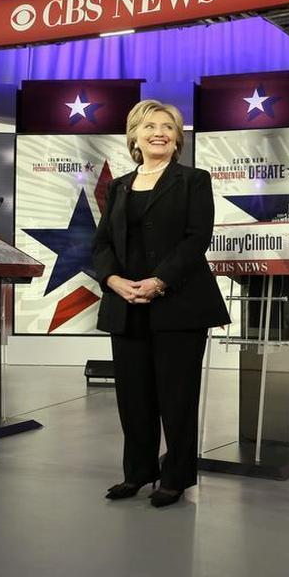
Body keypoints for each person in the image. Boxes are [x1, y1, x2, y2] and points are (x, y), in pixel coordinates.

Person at [92, 99, 229, 508]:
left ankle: (177, 476)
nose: (159, 132)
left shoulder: (194, 180)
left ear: (177, 138)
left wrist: (160, 281)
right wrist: (114, 280)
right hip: (125, 304)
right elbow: (101, 245)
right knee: (133, 397)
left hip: (179, 304)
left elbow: (196, 238)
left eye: (168, 126)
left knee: (177, 396)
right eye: (150, 125)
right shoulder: (117, 187)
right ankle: (137, 472)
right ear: (134, 135)